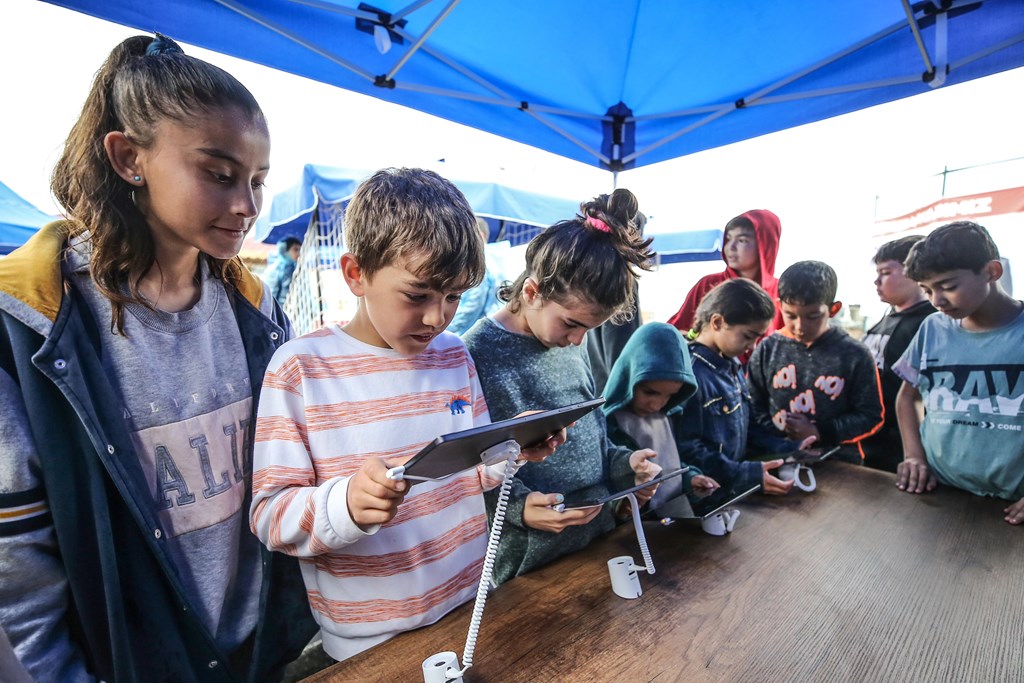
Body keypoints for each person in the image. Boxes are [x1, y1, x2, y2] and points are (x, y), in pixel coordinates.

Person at [0, 35, 315, 682]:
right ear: (128, 157)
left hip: (264, 657)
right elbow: (19, 576)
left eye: (257, 181)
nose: (246, 207)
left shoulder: (255, 310)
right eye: (219, 175)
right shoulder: (28, 322)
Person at [249, 168, 564, 662]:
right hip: (368, 639)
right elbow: (269, 514)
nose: (439, 317)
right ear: (356, 273)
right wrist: (345, 505)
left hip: (469, 604)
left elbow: (475, 468)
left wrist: (514, 447)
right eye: (417, 295)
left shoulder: (455, 355)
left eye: (455, 296)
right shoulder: (300, 369)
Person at [463, 188, 662, 585]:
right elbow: (462, 472)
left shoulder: (573, 341)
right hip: (528, 568)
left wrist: (626, 466)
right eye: (571, 324)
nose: (577, 341)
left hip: (598, 542)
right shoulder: (475, 353)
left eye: (589, 329)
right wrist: (519, 508)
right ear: (532, 291)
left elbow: (594, 436)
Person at [892, 222, 1024, 525]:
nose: (937, 300)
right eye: (927, 290)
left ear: (991, 271)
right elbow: (907, 398)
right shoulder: (932, 329)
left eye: (948, 286)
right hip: (939, 496)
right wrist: (914, 456)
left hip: (1012, 509)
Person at [675, 279, 812, 497]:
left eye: (758, 338)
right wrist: (746, 473)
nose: (752, 346)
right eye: (748, 336)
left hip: (734, 490)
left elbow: (747, 431)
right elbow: (687, 450)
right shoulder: (689, 374)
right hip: (706, 494)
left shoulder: (733, 364)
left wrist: (789, 448)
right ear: (717, 322)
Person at [748, 261, 884, 464]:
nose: (800, 326)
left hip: (840, 464)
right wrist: (784, 441)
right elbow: (752, 405)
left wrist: (819, 432)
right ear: (779, 306)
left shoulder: (855, 354)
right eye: (790, 315)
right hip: (779, 460)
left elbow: (871, 416)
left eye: (813, 316)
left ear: (833, 309)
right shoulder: (767, 349)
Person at [602, 322, 721, 517]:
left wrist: (689, 478)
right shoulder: (609, 424)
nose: (656, 405)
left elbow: (670, 464)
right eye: (649, 392)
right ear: (628, 375)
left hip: (673, 519)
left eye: (668, 396)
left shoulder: (668, 416)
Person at [860, 236, 935, 472]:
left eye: (885, 272)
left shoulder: (932, 323)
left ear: (913, 271)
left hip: (904, 452)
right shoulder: (882, 322)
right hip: (868, 442)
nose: (876, 280)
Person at [668, 210, 784, 353]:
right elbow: (674, 333)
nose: (730, 247)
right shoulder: (709, 284)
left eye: (742, 240)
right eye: (728, 239)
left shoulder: (781, 292)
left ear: (766, 245)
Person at [586, 210, 647, 395]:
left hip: (591, 386)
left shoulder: (586, 270)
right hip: (612, 393)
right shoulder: (623, 278)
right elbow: (621, 350)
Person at [448, 217, 500, 334]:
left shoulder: (478, 262)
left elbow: (473, 305)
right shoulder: (493, 258)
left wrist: (446, 329)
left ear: (480, 236)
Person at [267, 235, 302, 305]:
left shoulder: (294, 268)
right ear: (284, 250)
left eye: (300, 250)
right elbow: (271, 296)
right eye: (295, 249)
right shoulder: (279, 269)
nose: (299, 253)